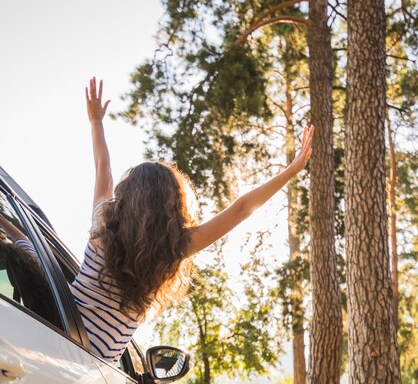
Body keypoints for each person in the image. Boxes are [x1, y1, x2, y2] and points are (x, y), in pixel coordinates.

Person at [69, 77, 314, 362]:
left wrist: (96, 122)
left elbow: (103, 168)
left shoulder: (102, 224)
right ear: (172, 206)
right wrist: (289, 172)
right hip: (94, 370)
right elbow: (241, 209)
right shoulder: (173, 248)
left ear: (126, 197)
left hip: (57, 334)